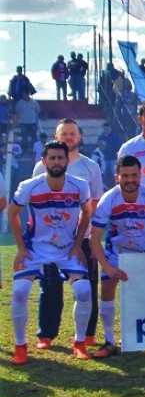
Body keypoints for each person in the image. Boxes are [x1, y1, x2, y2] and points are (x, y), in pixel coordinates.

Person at [8, 141, 92, 365]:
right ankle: (20, 346)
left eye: (60, 158)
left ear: (67, 161)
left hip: (66, 250)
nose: (56, 162)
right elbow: (12, 213)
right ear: (43, 161)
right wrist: (21, 249)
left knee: (84, 290)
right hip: (35, 250)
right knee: (19, 291)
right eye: (52, 158)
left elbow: (87, 212)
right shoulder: (29, 186)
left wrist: (76, 246)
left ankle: (80, 343)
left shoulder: (79, 185)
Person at [31, 119, 104, 351]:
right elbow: (33, 203)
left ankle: (88, 333)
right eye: (64, 134)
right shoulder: (40, 167)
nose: (69, 138)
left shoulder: (90, 166)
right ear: (56, 136)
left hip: (82, 238)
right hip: (50, 240)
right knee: (50, 285)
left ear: (79, 137)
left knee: (88, 285)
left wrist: (91, 238)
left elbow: (95, 203)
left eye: (73, 134)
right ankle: (47, 334)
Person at [88, 155, 145, 358]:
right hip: (118, 253)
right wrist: (107, 267)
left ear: (141, 175)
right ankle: (110, 342)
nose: (130, 180)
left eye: (134, 175)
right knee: (106, 289)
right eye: (125, 175)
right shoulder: (109, 199)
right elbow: (94, 238)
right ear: (117, 177)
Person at [14, 88, 40, 154]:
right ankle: (24, 151)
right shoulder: (20, 102)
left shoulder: (34, 102)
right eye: (23, 95)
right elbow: (17, 111)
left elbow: (38, 110)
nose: (23, 96)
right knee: (24, 138)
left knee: (34, 137)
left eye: (25, 94)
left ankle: (34, 150)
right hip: (23, 122)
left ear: (28, 95)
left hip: (33, 122)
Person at [98, 122, 122, 187]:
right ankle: (105, 188)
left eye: (108, 128)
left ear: (110, 128)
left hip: (113, 158)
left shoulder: (115, 136)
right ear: (103, 128)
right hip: (104, 159)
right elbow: (99, 147)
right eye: (105, 128)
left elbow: (118, 145)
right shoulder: (101, 137)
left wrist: (110, 148)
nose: (106, 129)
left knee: (115, 174)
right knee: (105, 175)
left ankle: (117, 186)